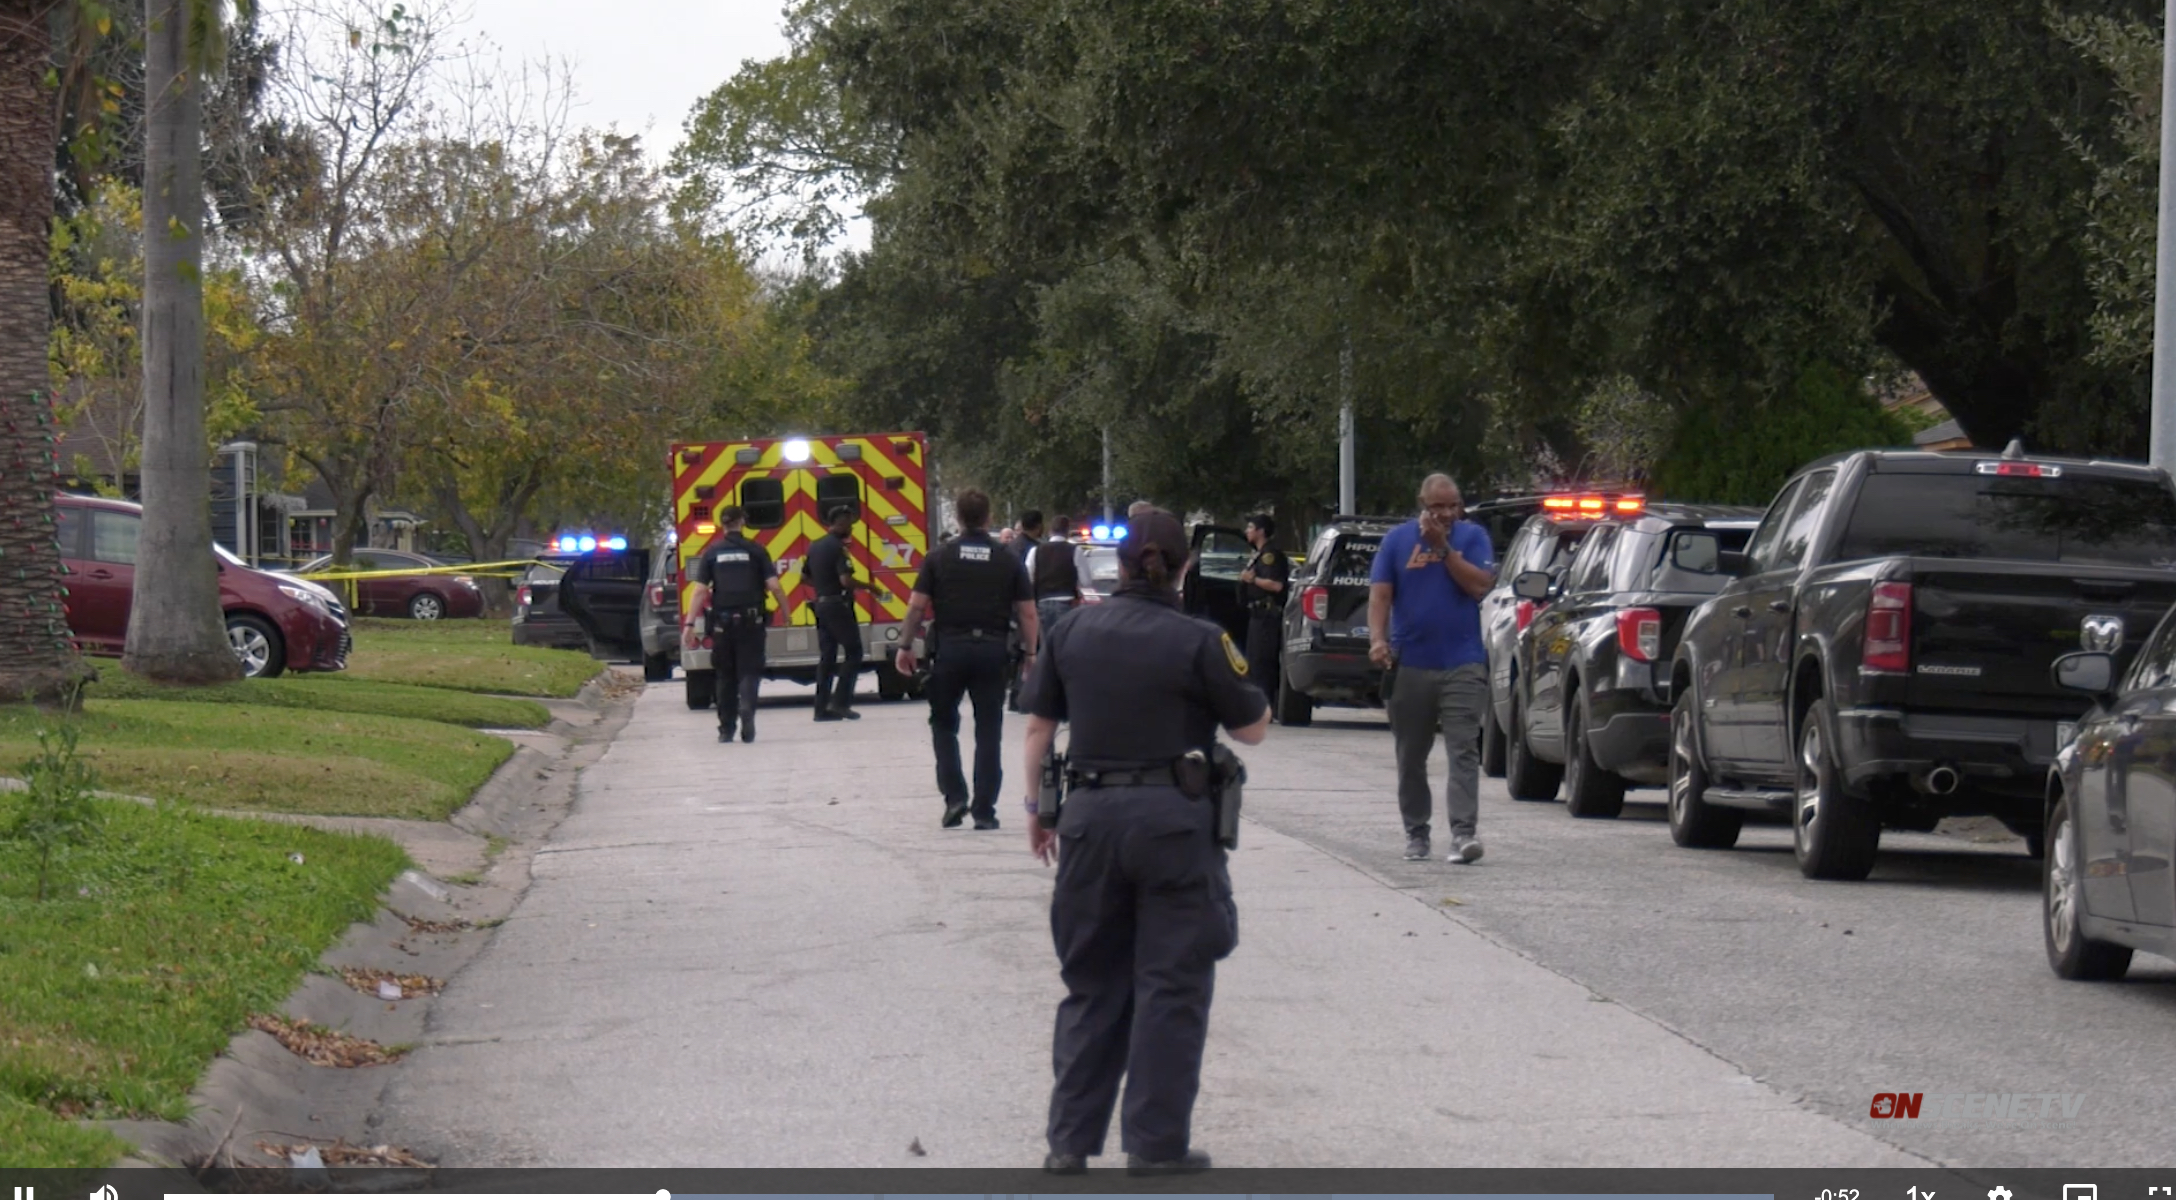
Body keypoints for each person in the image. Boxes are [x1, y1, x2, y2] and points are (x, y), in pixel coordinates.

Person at [1020, 509, 1269, 1177]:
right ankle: (1155, 1146)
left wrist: (1038, 812)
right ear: (1184, 566)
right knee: (1171, 985)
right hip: (1173, 825)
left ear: (1119, 566)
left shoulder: (1070, 630)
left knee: (1091, 983)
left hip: (1089, 820)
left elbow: (1039, 730)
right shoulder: (1198, 639)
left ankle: (1068, 1143)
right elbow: (1252, 730)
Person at [1367, 473, 1497, 863]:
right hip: (1410, 663)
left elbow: (1479, 586)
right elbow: (1381, 595)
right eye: (1436, 507)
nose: (1445, 514)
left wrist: (1444, 550)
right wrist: (1377, 639)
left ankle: (1463, 834)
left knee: (1463, 749)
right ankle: (1417, 832)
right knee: (1411, 755)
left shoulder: (1472, 537)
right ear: (1421, 505)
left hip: (1462, 661)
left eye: (1452, 505)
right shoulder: (1396, 541)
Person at [896, 489, 1038, 829]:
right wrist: (1031, 654)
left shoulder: (938, 557)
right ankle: (985, 811)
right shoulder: (1007, 558)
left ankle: (954, 798)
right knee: (989, 730)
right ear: (988, 518)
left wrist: (904, 646)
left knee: (944, 725)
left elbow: (917, 606)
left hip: (949, 651)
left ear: (958, 519)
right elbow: (1028, 613)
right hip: (992, 652)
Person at [685, 506, 790, 744]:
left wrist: (689, 624)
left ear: (722, 524)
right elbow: (773, 586)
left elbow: (700, 590)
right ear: (742, 521)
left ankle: (726, 729)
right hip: (751, 622)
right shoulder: (755, 550)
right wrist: (786, 611)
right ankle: (747, 709)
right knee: (749, 672)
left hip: (722, 625)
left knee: (724, 676)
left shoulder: (712, 552)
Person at [805, 504, 863, 722]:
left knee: (827, 657)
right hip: (837, 605)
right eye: (849, 522)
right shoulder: (838, 547)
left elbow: (805, 578)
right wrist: (870, 587)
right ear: (839, 522)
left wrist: (822, 587)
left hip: (821, 605)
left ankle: (821, 710)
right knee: (854, 652)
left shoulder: (815, 546)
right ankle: (841, 703)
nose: (852, 527)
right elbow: (846, 580)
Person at [1236, 513, 1288, 705]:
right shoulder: (1258, 554)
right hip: (1257, 614)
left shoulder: (1269, 555)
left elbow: (1276, 585)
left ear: (1261, 531)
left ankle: (1265, 703)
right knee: (1255, 661)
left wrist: (1253, 579)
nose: (1247, 531)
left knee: (1263, 661)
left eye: (1250, 527)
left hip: (1267, 615)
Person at [1030, 515, 1084, 631]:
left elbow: (1028, 577)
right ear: (1067, 531)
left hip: (1042, 601)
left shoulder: (1036, 550)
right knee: (1064, 642)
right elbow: (1086, 580)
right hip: (1067, 602)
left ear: (1050, 531)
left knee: (1046, 642)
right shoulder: (1075, 550)